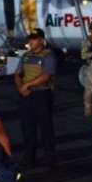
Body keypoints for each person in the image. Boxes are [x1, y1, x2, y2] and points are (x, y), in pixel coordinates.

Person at [14, 27, 57, 168]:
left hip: (42, 94)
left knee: (45, 128)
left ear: (41, 40)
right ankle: (29, 159)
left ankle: (49, 159)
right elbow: (17, 73)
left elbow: (46, 76)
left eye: (34, 39)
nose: (31, 42)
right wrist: (21, 87)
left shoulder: (48, 56)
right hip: (26, 95)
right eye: (30, 39)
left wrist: (27, 85)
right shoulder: (25, 55)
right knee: (27, 128)